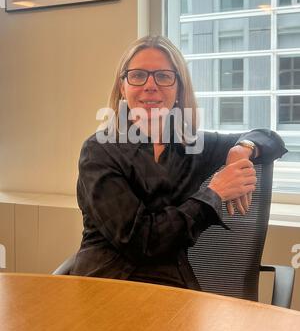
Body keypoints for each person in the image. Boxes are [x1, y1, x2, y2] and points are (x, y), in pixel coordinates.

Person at [71, 35, 287, 290]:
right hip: (108, 285)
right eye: (138, 75)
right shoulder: (99, 152)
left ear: (178, 89)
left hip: (172, 285)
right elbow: (143, 242)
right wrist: (214, 194)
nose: (150, 85)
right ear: (123, 87)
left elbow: (271, 138)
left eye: (163, 76)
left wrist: (242, 149)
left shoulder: (193, 146)